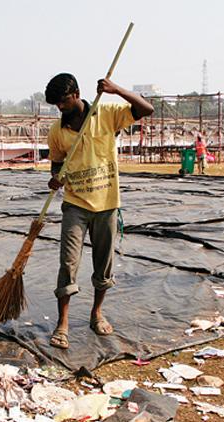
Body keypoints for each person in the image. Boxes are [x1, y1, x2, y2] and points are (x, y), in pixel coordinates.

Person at [44, 73, 153, 349]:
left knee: (103, 264)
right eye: (56, 104)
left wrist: (116, 89)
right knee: (68, 263)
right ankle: (63, 323)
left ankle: (96, 313)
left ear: (77, 94)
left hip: (107, 203)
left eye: (64, 101)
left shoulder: (106, 114)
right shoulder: (57, 132)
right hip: (75, 205)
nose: (61, 107)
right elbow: (56, 165)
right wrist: (56, 178)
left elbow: (146, 109)